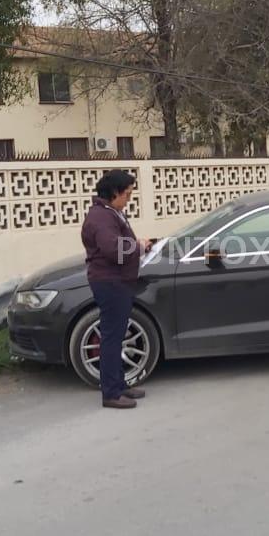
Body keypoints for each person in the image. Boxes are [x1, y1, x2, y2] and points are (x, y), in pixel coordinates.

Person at [81, 170, 150, 410]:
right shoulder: (101, 217)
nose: (129, 198)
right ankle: (111, 393)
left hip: (118, 281)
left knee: (117, 335)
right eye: (127, 194)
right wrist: (138, 246)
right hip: (111, 283)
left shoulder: (110, 213)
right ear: (114, 193)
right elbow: (113, 249)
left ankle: (119, 384)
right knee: (111, 337)